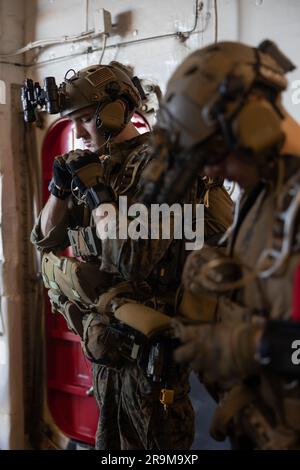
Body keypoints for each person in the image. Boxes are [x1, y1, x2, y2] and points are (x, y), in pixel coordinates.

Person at [31, 61, 233, 450]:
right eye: (72, 122)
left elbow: (133, 260)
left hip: (151, 362)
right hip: (106, 349)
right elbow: (43, 239)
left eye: (87, 119)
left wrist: (99, 197)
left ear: (118, 108)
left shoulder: (163, 167)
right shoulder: (98, 165)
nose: (77, 133)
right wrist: (59, 191)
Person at [152, 40, 300, 449]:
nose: (212, 169)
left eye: (215, 150)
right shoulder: (264, 192)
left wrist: (252, 344)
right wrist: (220, 257)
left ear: (254, 115)